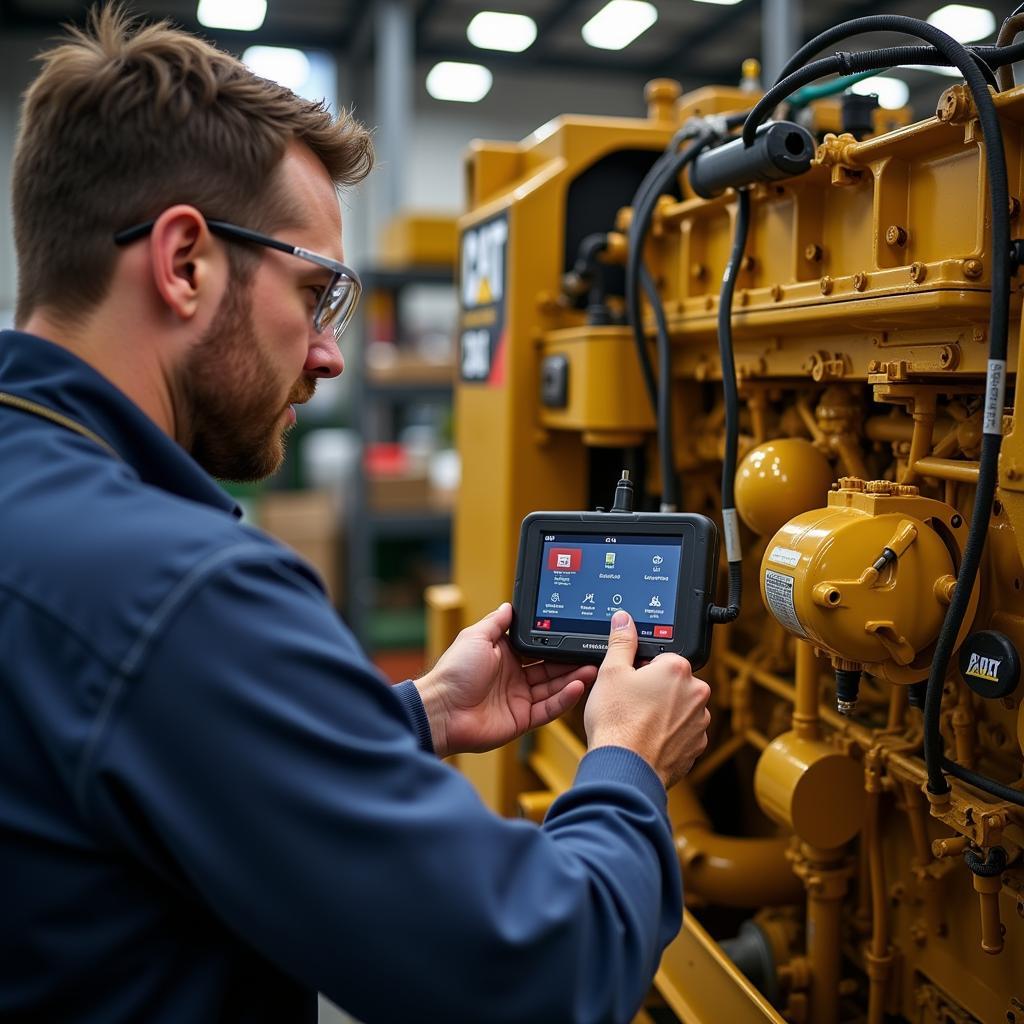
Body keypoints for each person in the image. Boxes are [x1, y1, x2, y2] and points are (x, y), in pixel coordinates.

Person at [0, 8, 712, 1023]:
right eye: (317, 294)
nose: (331, 354)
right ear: (185, 262)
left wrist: (411, 717)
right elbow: (541, 968)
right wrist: (627, 767)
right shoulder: (183, 590)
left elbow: (144, 762)